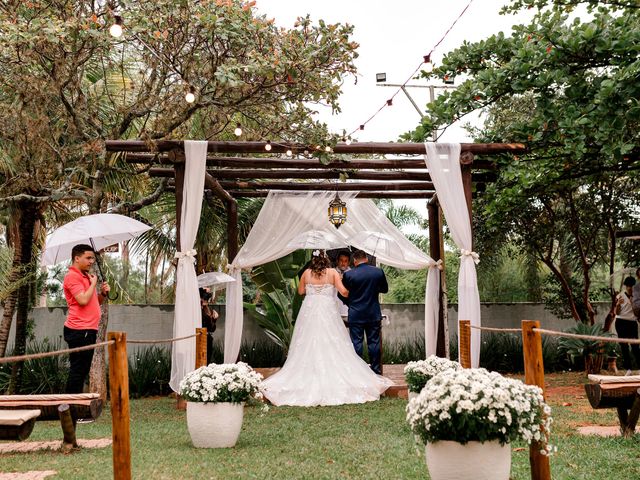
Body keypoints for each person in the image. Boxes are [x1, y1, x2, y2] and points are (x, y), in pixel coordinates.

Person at [260, 250, 392, 406]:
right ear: (327, 260)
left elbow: (301, 291)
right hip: (328, 311)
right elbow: (343, 291)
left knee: (308, 342)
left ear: (313, 261)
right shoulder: (332, 273)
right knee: (332, 341)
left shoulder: (306, 273)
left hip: (309, 312)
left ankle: (309, 374)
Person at [63, 244, 110, 394]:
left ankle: (73, 409)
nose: (92, 261)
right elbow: (82, 300)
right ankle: (71, 411)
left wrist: (102, 293)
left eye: (93, 259)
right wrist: (94, 284)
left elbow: (93, 301)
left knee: (82, 371)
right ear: (77, 258)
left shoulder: (85, 277)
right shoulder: (72, 276)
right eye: (88, 258)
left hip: (88, 329)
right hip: (79, 330)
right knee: (78, 371)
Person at [340, 249, 388, 375]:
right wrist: (373, 288)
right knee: (374, 342)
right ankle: (376, 370)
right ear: (366, 258)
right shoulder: (378, 272)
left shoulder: (349, 275)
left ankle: (357, 372)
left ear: (354, 261)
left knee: (356, 343)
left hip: (355, 313)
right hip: (373, 313)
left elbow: (342, 294)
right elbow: (385, 289)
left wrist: (350, 303)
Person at [615, 276, 640, 375]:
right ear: (625, 286)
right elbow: (616, 312)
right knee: (624, 346)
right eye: (628, 286)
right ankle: (628, 369)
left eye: (632, 286)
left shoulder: (637, 296)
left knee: (635, 346)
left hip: (632, 322)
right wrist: (617, 305)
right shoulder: (620, 296)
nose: (630, 288)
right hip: (621, 322)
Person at [199, 287, 218, 364]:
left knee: (207, 360)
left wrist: (214, 319)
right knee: (201, 361)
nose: (206, 301)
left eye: (207, 300)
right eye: (204, 299)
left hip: (208, 339)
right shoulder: (197, 310)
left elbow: (211, 329)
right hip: (199, 338)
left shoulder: (208, 310)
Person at [334, 251, 351, 322]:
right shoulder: (332, 272)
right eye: (341, 260)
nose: (343, 263)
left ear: (349, 262)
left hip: (347, 305)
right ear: (337, 261)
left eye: (345, 261)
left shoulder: (352, 273)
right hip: (334, 302)